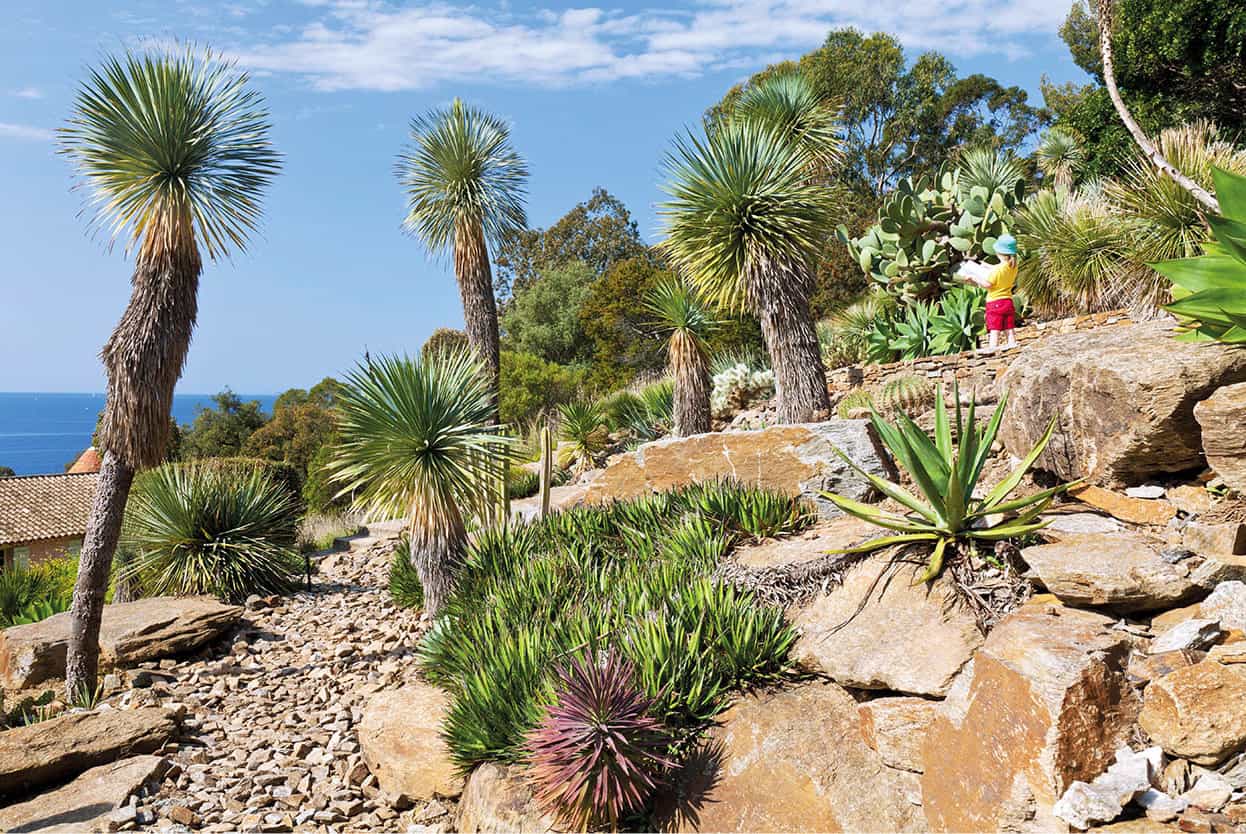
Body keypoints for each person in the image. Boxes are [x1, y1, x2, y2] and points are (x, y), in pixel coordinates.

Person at [956, 234, 1019, 352]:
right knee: (1008, 325)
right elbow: (1000, 268)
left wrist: (973, 278)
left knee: (995, 326)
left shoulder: (997, 271)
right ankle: (1012, 342)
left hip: (995, 302)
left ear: (999, 253)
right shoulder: (1013, 266)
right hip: (1008, 301)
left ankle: (992, 347)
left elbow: (988, 284)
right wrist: (988, 266)